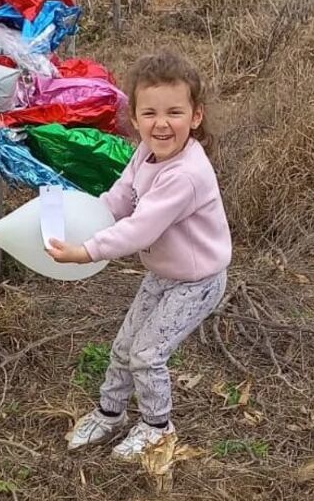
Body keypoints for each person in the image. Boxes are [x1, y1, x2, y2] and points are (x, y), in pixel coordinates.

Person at [46, 50, 232, 460]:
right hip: (165, 272)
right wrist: (89, 218)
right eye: (149, 113)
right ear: (134, 116)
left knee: (148, 353)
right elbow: (121, 197)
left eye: (174, 112)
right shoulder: (146, 152)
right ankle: (110, 413)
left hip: (197, 282)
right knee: (125, 344)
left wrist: (86, 252)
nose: (161, 124)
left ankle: (157, 428)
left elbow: (140, 227)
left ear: (195, 116)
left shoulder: (185, 175)